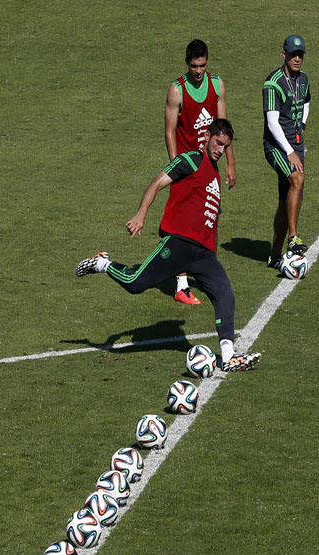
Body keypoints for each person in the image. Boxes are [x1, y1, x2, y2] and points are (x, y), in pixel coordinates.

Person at [75, 119, 260, 372]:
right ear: (207, 136)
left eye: (225, 147)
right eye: (218, 143)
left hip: (204, 254)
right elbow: (157, 183)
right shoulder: (190, 160)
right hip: (180, 243)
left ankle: (228, 356)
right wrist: (141, 214)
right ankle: (102, 263)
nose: (220, 149)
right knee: (135, 284)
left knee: (225, 295)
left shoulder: (215, 174)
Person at [164, 39, 235, 305]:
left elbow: (224, 129)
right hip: (186, 165)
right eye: (194, 66)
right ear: (187, 63)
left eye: (203, 65)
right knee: (182, 222)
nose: (198, 71)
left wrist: (230, 163)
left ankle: (203, 270)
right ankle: (182, 285)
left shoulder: (216, 85)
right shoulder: (177, 90)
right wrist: (176, 165)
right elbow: (170, 130)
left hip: (209, 166)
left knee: (210, 215)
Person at [263, 34, 311, 269]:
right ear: (284, 54)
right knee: (297, 178)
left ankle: (274, 254)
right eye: (293, 54)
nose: (297, 58)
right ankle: (293, 237)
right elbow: (272, 123)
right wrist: (290, 151)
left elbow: (306, 101)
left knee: (288, 199)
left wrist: (302, 126)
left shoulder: (304, 79)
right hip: (277, 147)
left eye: (300, 54)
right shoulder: (273, 83)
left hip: (295, 145)